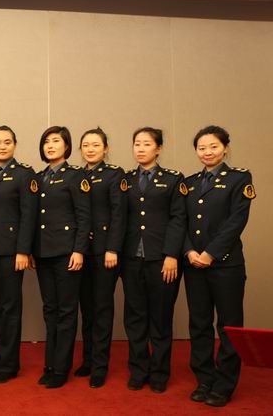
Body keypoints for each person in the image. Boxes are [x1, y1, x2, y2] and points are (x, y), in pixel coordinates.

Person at [183, 126, 255, 407]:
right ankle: (204, 379)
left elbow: (236, 221)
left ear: (225, 148)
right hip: (194, 264)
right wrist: (189, 251)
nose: (207, 152)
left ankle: (224, 384)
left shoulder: (239, 178)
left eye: (213, 146)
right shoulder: (189, 183)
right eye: (201, 148)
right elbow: (181, 221)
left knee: (228, 326)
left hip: (226, 265)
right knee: (199, 324)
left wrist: (210, 253)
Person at [121, 127, 186, 394]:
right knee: (135, 318)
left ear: (158, 148)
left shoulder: (173, 179)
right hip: (131, 258)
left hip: (162, 259)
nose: (140, 148)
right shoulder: (125, 180)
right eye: (137, 143)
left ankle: (159, 373)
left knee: (160, 318)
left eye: (146, 144)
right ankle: (138, 370)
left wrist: (171, 255)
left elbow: (179, 219)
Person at [31, 126, 91, 389]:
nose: (50, 146)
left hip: (67, 253)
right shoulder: (38, 177)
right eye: (46, 142)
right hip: (44, 252)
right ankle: (50, 364)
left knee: (66, 311)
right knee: (50, 310)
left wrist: (79, 250)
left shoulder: (76, 176)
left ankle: (61, 368)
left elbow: (84, 217)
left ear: (66, 146)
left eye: (56, 141)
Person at [0, 125, 37, 383]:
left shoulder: (24, 174)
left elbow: (29, 215)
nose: (2, 146)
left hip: (12, 252)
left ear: (14, 144)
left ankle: (9, 364)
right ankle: (0, 359)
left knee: (10, 307)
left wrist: (23, 250)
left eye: (7, 142)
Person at [75, 128, 128, 388]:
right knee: (86, 308)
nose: (90, 149)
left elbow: (119, 213)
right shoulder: (76, 175)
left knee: (102, 308)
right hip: (81, 251)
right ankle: (87, 360)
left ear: (105, 149)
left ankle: (100, 366)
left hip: (105, 251)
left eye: (96, 145)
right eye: (86, 145)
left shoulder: (114, 174)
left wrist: (113, 248)